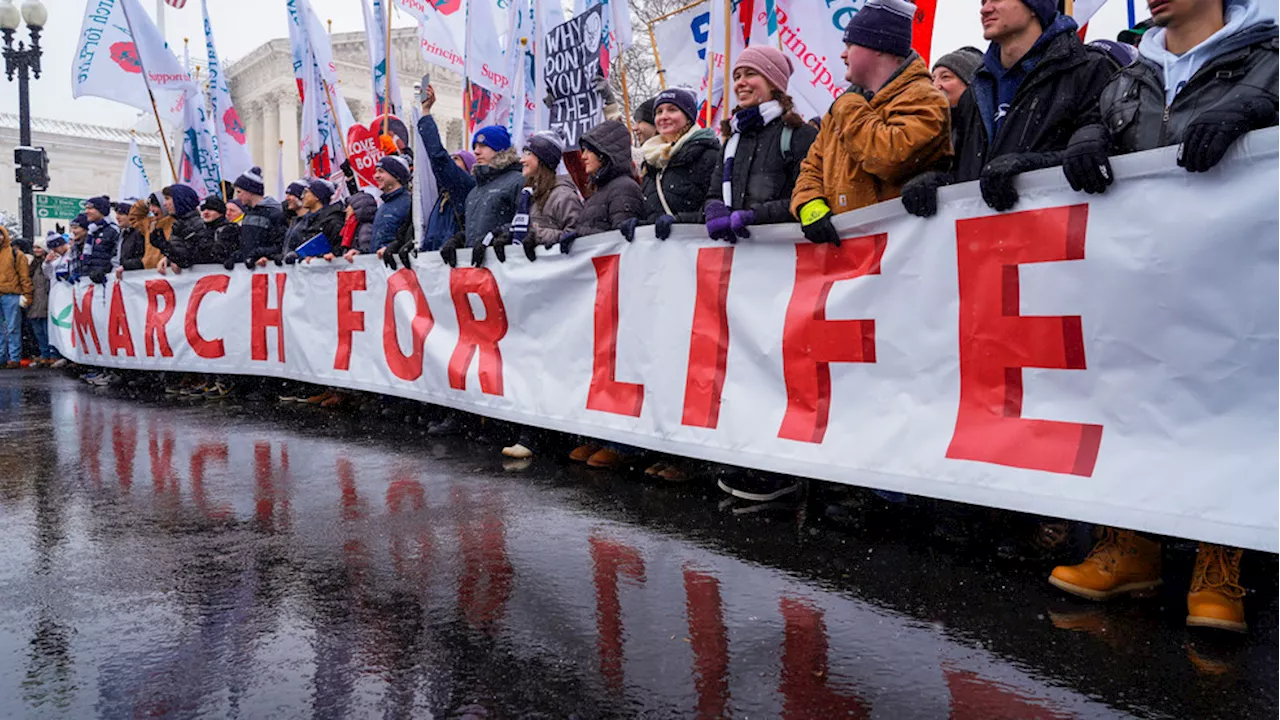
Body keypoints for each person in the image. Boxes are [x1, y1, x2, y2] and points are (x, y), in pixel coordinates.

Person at [1051, 0, 1280, 635]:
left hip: (1240, 282)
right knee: (1132, 396)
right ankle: (1132, 545)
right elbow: (1100, 127)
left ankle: (1219, 558)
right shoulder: (1131, 73)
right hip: (1142, 279)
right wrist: (1086, 139)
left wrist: (1262, 111)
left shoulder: (1271, 56)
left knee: (1227, 405)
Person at [900, 0, 1115, 216]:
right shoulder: (974, 94)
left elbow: (1109, 159)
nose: (985, 9)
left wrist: (1030, 170)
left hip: (1056, 236)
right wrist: (937, 182)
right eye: (983, 2)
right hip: (987, 239)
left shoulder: (1088, 69)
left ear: (1034, 7)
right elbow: (969, 174)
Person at [791, 0, 952, 246]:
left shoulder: (926, 99)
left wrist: (849, 106)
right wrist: (810, 204)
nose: (843, 54)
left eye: (850, 45)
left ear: (878, 47)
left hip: (902, 256)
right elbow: (812, 168)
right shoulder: (841, 110)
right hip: (853, 260)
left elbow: (890, 157)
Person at [561, 118, 646, 468]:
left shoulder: (623, 188)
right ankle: (597, 434)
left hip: (617, 292)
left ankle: (622, 444)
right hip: (598, 292)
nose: (583, 157)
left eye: (589, 151)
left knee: (618, 364)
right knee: (598, 365)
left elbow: (620, 242)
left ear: (605, 154)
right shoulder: (600, 189)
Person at [704, 46, 818, 244]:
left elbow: (808, 197)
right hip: (741, 259)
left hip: (786, 255)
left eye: (750, 73)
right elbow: (714, 193)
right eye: (737, 76)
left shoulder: (799, 134)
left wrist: (756, 216)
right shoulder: (732, 140)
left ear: (773, 82)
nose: (741, 83)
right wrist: (713, 208)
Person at [619, 88, 720, 242]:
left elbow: (718, 208)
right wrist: (641, 226)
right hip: (665, 258)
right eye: (659, 112)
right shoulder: (652, 161)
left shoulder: (708, 154)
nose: (664, 116)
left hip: (698, 252)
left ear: (688, 118)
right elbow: (655, 215)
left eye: (672, 110)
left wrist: (680, 222)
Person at [440, 125, 524, 268]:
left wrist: (499, 235)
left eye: (484, 146)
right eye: (475, 147)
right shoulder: (475, 191)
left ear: (500, 149)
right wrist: (459, 239)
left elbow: (526, 221)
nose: (477, 152)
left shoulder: (518, 180)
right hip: (479, 270)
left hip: (507, 267)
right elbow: (474, 229)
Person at [417, 83, 477, 252]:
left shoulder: (465, 186)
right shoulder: (442, 195)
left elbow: (439, 158)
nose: (451, 161)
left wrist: (426, 114)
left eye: (456, 159)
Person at [514, 130, 582, 257]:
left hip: (556, 271)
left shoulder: (563, 196)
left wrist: (536, 235)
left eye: (528, 153)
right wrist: (505, 234)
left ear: (542, 159)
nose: (521, 160)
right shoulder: (528, 194)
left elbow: (577, 237)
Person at [230, 166, 288, 270]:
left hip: (266, 269)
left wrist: (258, 254)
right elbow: (245, 243)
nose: (237, 197)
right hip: (250, 269)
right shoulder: (248, 213)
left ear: (250, 191)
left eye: (239, 192)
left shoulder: (275, 214)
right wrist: (236, 256)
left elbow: (280, 245)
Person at [371, 155, 415, 269]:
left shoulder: (408, 203)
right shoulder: (383, 206)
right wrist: (360, 252)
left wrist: (392, 248)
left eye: (381, 171)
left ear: (396, 175)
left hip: (398, 270)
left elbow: (409, 238)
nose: (376, 176)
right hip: (380, 271)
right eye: (376, 172)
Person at [288, 179, 344, 264]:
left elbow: (338, 251)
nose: (302, 197)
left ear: (317, 196)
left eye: (306, 192)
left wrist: (319, 258)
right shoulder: (303, 222)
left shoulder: (332, 221)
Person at [0, 226, 33, 369]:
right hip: (7, 294)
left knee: (13, 328)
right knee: (4, 329)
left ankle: (14, 358)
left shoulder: (15, 254)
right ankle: (2, 357)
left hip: (11, 294)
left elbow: (24, 276)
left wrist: (27, 294)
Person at [25, 236, 56, 367]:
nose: (36, 250)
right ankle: (44, 355)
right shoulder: (33, 265)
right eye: (35, 247)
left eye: (39, 247)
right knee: (38, 331)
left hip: (46, 299)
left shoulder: (50, 263)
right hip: (35, 301)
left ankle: (53, 354)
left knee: (47, 329)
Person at [81, 195, 121, 284]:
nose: (86, 212)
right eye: (86, 208)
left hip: (106, 281)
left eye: (90, 208)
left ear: (101, 210)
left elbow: (116, 256)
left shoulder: (113, 230)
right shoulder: (92, 230)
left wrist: (103, 271)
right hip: (89, 281)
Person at [338, 192, 378, 260]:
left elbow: (367, 255)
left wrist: (359, 253)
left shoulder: (365, 229)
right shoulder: (352, 227)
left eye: (349, 206)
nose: (346, 210)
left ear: (358, 209)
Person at [280, 180, 310, 260]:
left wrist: (297, 256)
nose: (287, 198)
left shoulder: (309, 221)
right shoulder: (295, 221)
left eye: (291, 194)